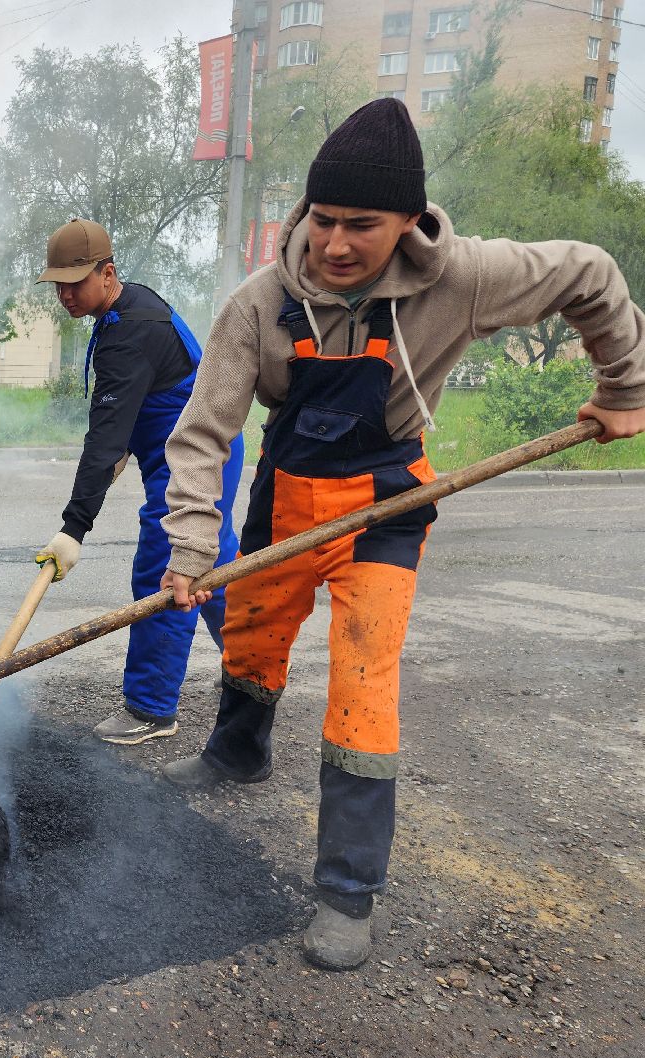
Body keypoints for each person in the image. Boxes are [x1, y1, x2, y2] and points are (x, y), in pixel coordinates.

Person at [157, 99, 645, 970]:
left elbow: (592, 272)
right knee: (253, 634)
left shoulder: (465, 277)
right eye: (322, 220)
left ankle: (348, 890)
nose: (334, 245)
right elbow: (203, 433)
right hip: (286, 492)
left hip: (383, 502)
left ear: (409, 223)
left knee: (362, 679)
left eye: (362, 226)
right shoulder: (260, 304)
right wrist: (194, 548)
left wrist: (624, 386)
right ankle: (236, 754)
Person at [33, 219, 245, 744]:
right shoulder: (130, 306)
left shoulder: (128, 332)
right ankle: (254, 669)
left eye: (74, 282)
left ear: (108, 273)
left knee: (167, 568)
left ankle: (152, 708)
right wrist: (128, 440)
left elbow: (102, 441)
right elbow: (141, 401)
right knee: (214, 566)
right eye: (57, 284)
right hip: (208, 445)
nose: (65, 295)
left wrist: (73, 528)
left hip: (194, 460)